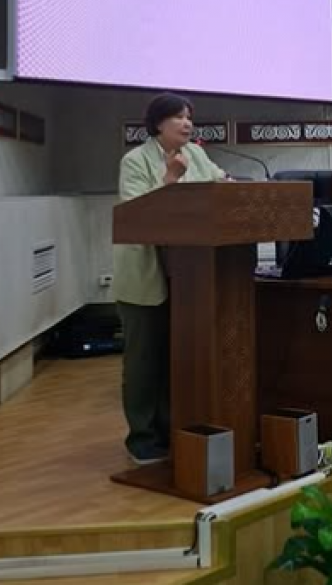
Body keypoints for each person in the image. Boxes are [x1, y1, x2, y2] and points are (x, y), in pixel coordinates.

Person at [112, 92, 226, 465]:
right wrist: (171, 179)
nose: (187, 123)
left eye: (189, 116)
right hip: (145, 275)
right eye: (178, 116)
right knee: (144, 363)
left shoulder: (196, 154)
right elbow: (137, 217)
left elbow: (219, 184)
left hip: (191, 277)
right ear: (158, 123)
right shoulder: (135, 161)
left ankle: (170, 431)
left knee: (176, 359)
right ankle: (142, 439)